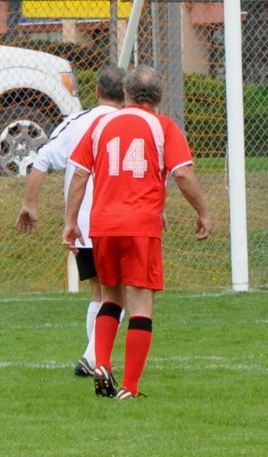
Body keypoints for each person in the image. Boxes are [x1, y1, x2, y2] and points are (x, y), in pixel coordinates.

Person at [63, 65, 211, 399]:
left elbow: (80, 174)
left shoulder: (101, 125)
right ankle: (129, 387)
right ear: (159, 96)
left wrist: (70, 222)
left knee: (111, 297)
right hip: (141, 226)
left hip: (102, 226)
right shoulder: (163, 126)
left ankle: (102, 364)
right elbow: (183, 174)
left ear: (127, 93)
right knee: (141, 306)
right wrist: (202, 212)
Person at [17, 66, 126, 378]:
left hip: (82, 224)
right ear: (126, 94)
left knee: (98, 292)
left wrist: (29, 204)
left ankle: (95, 358)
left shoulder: (76, 123)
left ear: (96, 92)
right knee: (118, 294)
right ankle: (93, 357)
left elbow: (42, 159)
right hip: (118, 220)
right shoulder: (131, 124)